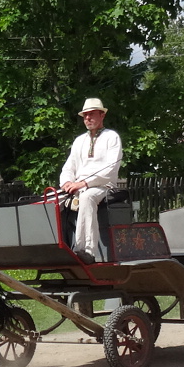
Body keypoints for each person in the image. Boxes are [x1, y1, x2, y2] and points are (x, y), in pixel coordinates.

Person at [58, 97, 122, 262]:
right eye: (85, 115)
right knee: (51, 200)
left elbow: (111, 169)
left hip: (103, 186)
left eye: (91, 114)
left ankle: (85, 250)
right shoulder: (79, 141)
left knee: (87, 197)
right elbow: (69, 167)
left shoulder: (111, 137)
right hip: (78, 186)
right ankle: (57, 248)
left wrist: (84, 183)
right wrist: (66, 183)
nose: (87, 118)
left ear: (102, 115)